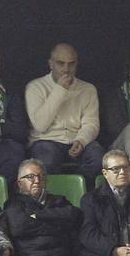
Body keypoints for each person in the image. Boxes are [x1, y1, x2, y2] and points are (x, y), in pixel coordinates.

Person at [3, 159, 90, 256]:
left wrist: (38, 216)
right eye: (30, 177)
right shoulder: (13, 204)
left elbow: (74, 216)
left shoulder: (58, 200)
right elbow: (19, 227)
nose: (36, 180)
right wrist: (55, 223)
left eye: (40, 176)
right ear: (19, 183)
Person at [24, 43, 102, 176]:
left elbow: (91, 123)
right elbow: (40, 125)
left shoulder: (88, 89)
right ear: (51, 64)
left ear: (77, 64)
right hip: (46, 140)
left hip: (77, 139)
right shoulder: (35, 87)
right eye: (61, 63)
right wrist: (60, 89)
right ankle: (56, 195)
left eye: (71, 64)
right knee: (46, 161)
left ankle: (78, 191)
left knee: (99, 159)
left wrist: (81, 141)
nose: (66, 69)